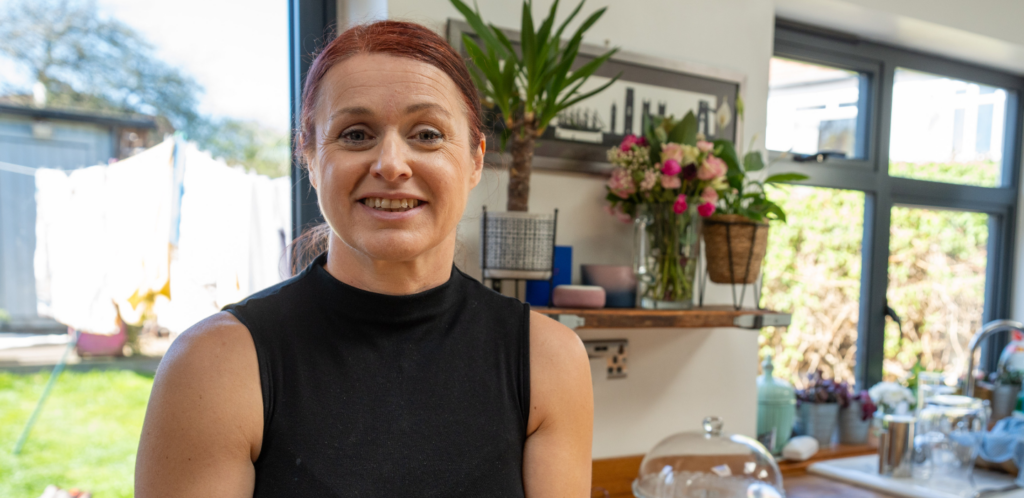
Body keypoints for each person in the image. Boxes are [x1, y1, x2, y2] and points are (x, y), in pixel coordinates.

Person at [134, 20, 593, 497]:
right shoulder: (214, 365)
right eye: (355, 135)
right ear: (310, 156)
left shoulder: (549, 361)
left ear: (476, 159)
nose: (391, 164)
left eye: (427, 134)